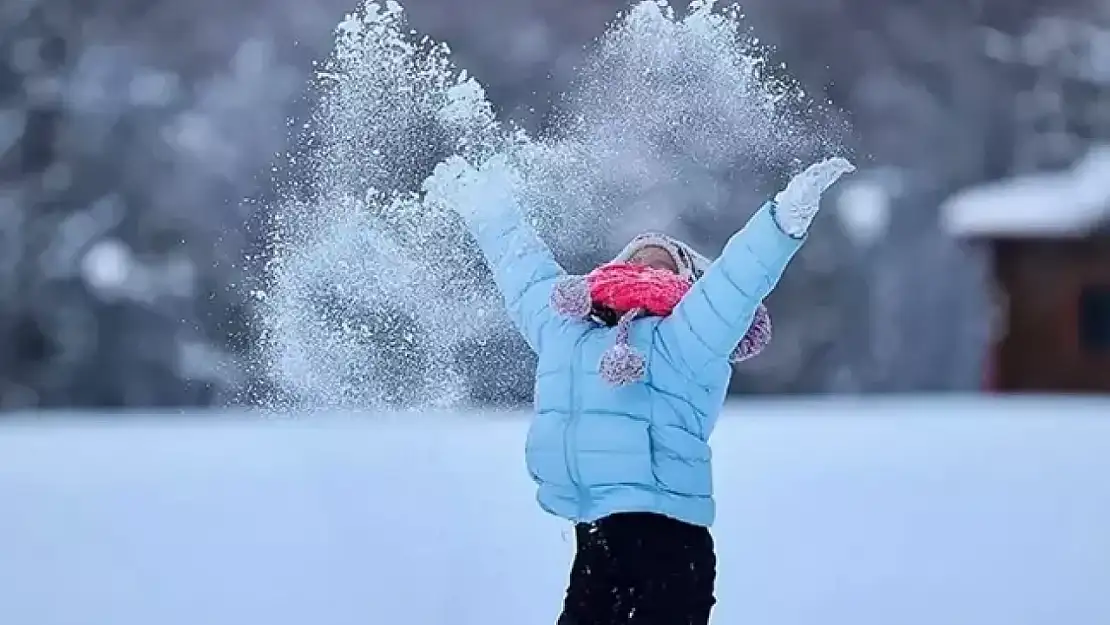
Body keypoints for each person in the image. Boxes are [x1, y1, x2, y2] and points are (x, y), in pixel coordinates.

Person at [425, 154, 854, 625]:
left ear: (688, 284)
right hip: (596, 537)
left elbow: (737, 281)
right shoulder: (566, 329)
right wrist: (487, 207)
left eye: (666, 261)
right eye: (636, 256)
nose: (648, 259)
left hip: (668, 543)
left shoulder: (690, 336)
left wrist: (782, 219)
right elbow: (522, 270)